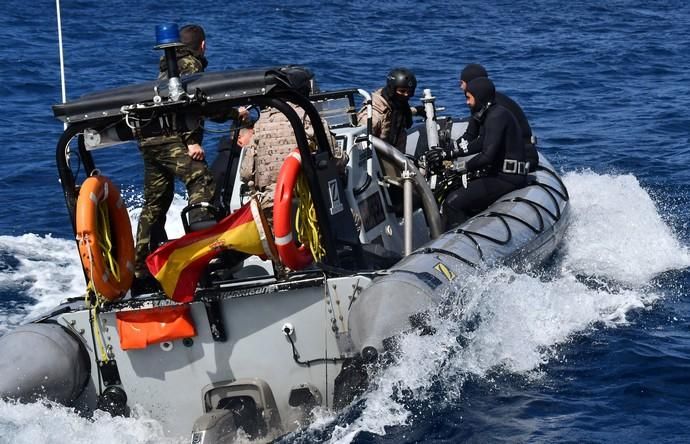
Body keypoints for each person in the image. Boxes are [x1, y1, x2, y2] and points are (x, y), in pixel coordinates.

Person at [133, 24, 246, 294]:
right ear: (203, 45)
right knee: (201, 179)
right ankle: (201, 251)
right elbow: (193, 104)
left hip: (150, 141)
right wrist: (192, 139)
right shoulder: (190, 65)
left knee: (156, 202)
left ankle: (140, 268)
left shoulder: (166, 69)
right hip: (173, 138)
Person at [425, 77, 529, 227]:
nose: (467, 102)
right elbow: (480, 143)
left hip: (508, 178)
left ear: (479, 97)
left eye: (469, 98)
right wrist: (447, 154)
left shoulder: (496, 117)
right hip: (499, 174)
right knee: (453, 190)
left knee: (453, 202)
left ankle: (457, 243)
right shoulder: (491, 114)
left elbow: (487, 156)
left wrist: (459, 168)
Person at [458, 63, 538, 170]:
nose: (461, 87)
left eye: (462, 83)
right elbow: (472, 135)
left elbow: (480, 140)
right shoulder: (485, 102)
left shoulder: (493, 108)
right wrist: (450, 150)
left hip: (523, 157)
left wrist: (454, 155)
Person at [357, 67, 421, 153]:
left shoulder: (398, 106)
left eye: (410, 92)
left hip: (397, 156)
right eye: (402, 91)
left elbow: (392, 113)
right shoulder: (374, 114)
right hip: (379, 159)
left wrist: (417, 110)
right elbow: (361, 140)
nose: (406, 95)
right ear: (392, 89)